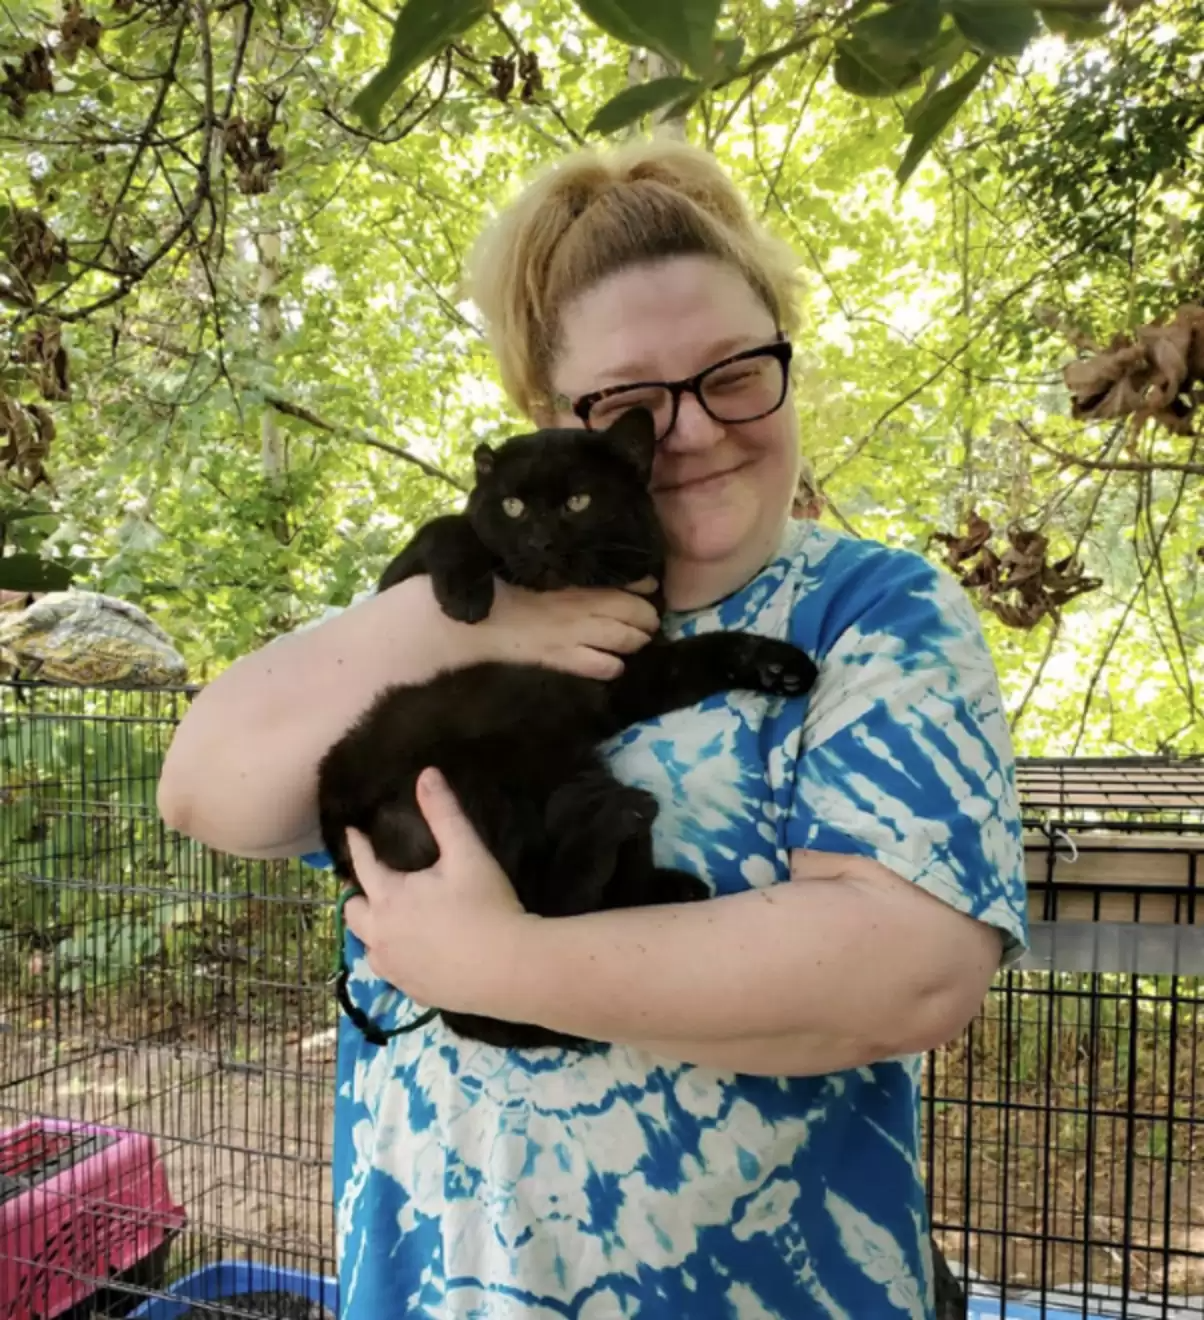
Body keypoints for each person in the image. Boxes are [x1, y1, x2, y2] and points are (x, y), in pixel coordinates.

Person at [157, 138, 1029, 1319]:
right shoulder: (453, 619)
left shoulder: (873, 615)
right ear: (554, 418)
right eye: (632, 401)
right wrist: (454, 619)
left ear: (785, 365)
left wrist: (498, 965)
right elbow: (205, 793)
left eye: (733, 374)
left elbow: (906, 979)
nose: (691, 434)